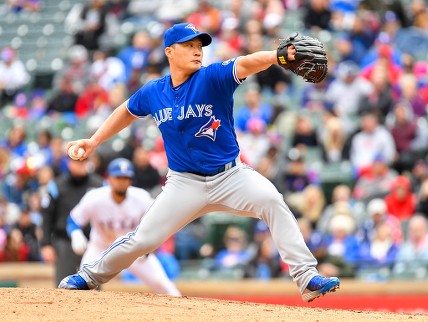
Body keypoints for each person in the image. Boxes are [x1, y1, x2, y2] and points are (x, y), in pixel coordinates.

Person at [58, 22, 340, 302]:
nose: (197, 51)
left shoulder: (212, 78)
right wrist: (94, 141)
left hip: (231, 176)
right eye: (189, 45)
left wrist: (277, 56)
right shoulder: (154, 91)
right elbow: (127, 111)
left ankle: (306, 277)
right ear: (170, 51)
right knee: (143, 240)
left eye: (199, 46)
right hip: (184, 183)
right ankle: (88, 277)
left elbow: (245, 63)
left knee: (272, 201)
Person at [66, 158, 180, 295]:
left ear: (131, 180)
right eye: (118, 177)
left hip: (134, 250)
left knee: (164, 285)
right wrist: (76, 234)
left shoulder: (141, 197)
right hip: (100, 248)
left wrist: (150, 248)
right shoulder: (95, 197)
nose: (122, 181)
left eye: (126, 178)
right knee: (82, 283)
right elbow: (73, 219)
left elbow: (159, 222)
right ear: (109, 179)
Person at [41, 157, 104, 287]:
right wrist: (46, 244)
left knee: (94, 284)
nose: (81, 165)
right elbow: (47, 216)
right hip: (64, 241)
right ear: (69, 163)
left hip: (93, 242)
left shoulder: (98, 185)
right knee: (64, 284)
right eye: (77, 162)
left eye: (84, 161)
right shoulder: (57, 186)